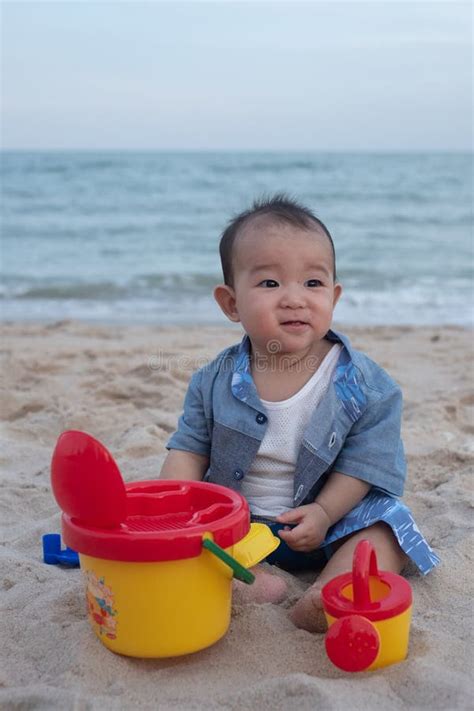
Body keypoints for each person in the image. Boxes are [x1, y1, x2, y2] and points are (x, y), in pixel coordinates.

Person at [160, 194, 440, 632]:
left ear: (334, 295)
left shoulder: (367, 385)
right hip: (239, 527)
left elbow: (364, 464)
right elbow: (189, 452)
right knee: (195, 543)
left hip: (328, 523)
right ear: (231, 304)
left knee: (388, 528)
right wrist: (174, 515)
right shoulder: (213, 379)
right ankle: (257, 583)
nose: (294, 298)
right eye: (270, 284)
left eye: (313, 283)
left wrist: (326, 512)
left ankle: (327, 593)